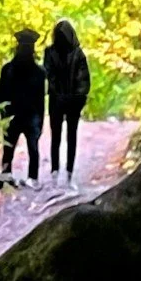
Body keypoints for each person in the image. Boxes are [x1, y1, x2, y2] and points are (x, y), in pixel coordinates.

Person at [43, 19, 91, 182]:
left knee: (71, 136)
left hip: (71, 101)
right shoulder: (50, 52)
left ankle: (68, 170)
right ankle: (55, 169)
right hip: (58, 100)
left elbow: (83, 79)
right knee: (57, 136)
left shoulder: (78, 54)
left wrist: (77, 97)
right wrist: (59, 94)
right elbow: (50, 75)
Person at [0, 27, 44, 182]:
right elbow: (1, 95)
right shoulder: (8, 70)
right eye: (24, 45)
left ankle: (31, 178)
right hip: (15, 115)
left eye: (27, 46)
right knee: (10, 149)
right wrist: (3, 116)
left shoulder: (39, 72)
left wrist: (39, 120)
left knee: (32, 148)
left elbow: (40, 99)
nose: (25, 49)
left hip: (28, 116)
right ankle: (7, 176)